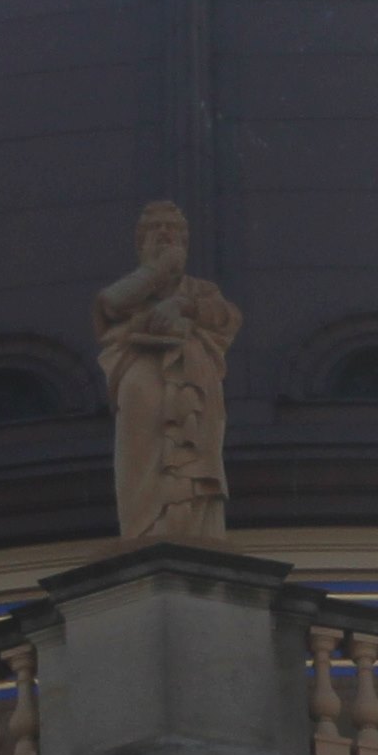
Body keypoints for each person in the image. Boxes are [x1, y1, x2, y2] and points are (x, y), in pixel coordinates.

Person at [92, 202, 241, 547]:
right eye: (155, 228)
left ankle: (187, 529)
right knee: (145, 464)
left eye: (172, 229)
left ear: (185, 243)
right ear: (140, 242)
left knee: (191, 463)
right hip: (143, 381)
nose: (163, 233)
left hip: (194, 384)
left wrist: (183, 305)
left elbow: (226, 317)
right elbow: (111, 303)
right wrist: (159, 271)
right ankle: (146, 531)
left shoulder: (199, 291)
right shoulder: (131, 290)